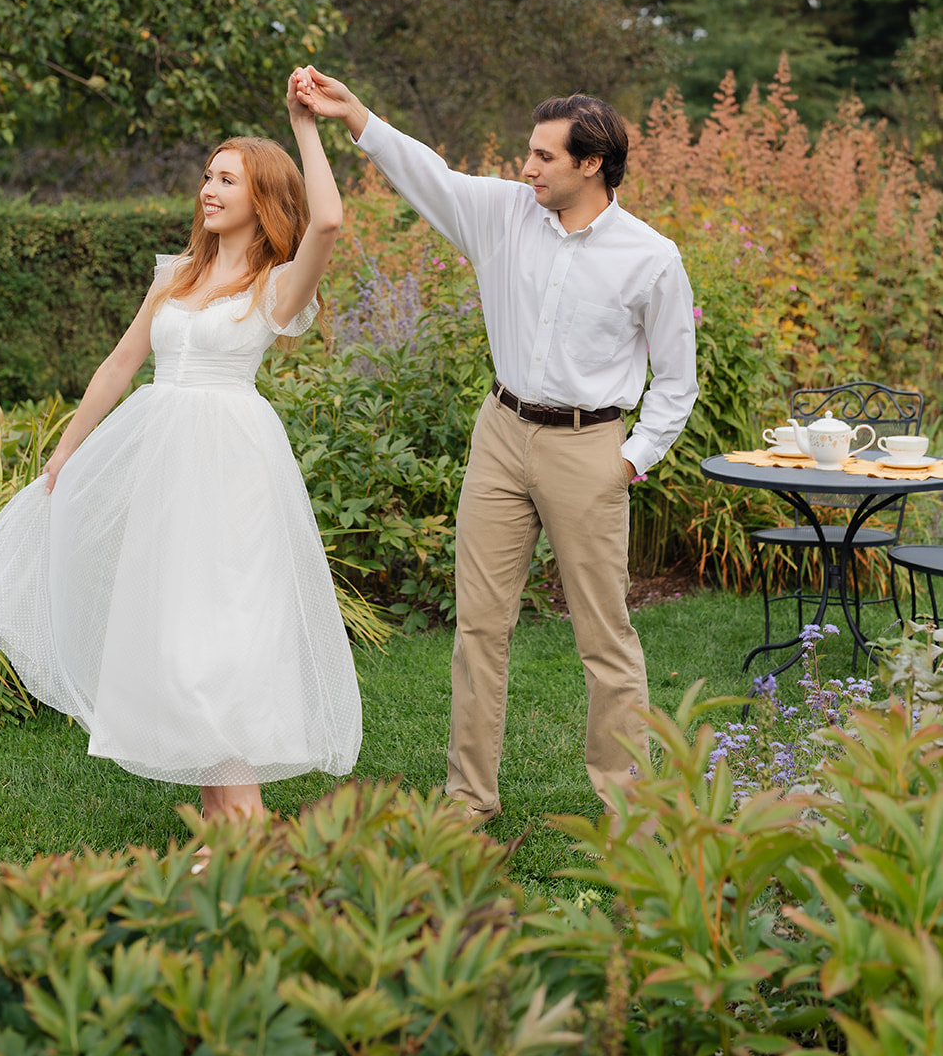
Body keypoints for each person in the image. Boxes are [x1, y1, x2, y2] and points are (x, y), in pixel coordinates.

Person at [0, 73, 361, 826]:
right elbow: (119, 363)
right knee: (178, 632)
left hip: (231, 469)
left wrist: (305, 125)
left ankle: (250, 828)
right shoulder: (178, 274)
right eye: (207, 174)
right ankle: (222, 819)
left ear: (261, 196)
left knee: (226, 634)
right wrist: (66, 451)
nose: (207, 188)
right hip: (163, 465)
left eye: (226, 179)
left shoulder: (275, 287)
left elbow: (328, 222)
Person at [294, 68, 698, 821]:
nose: (527, 167)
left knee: (603, 637)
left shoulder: (650, 257)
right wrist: (355, 115)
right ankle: (468, 801)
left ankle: (628, 809)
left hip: (590, 448)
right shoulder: (503, 213)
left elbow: (677, 381)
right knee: (480, 625)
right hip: (501, 435)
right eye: (528, 152)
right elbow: (426, 173)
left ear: (591, 164)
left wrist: (630, 458)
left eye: (544, 157)